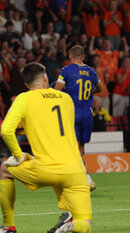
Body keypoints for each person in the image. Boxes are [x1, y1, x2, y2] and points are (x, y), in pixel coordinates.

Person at [0, 62, 92, 233]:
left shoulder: (24, 98)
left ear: (27, 85)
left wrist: (19, 155)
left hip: (46, 169)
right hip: (76, 171)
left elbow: (6, 130)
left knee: (3, 170)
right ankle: (71, 224)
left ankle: (8, 226)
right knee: (86, 225)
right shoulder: (66, 99)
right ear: (45, 77)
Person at [54, 45, 103, 191]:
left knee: (73, 148)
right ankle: (79, 176)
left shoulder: (66, 70)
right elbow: (100, 88)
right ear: (83, 57)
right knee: (80, 148)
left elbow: (57, 90)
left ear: (70, 56)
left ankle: (85, 178)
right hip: (87, 115)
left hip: (73, 114)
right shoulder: (91, 72)